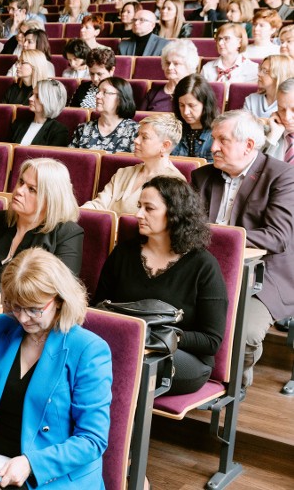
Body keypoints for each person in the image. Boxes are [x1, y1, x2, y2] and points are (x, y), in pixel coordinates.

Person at [0, 247, 111, 489]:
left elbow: (92, 439)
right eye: (16, 306)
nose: (23, 318)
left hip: (47, 471)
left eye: (34, 309)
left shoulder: (88, 349)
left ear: (59, 300)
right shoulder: (3, 327)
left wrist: (30, 463)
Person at [191, 111, 294, 395]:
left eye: (222, 140)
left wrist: (219, 237)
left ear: (248, 145)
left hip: (263, 274)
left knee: (245, 335)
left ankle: (237, 379)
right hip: (206, 270)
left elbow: (277, 237)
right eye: (213, 139)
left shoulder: (282, 176)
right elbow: (186, 227)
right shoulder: (201, 176)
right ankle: (197, 376)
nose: (212, 148)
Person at [95, 176, 228, 395]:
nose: (138, 215)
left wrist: (155, 338)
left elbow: (211, 341)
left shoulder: (203, 265)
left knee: (132, 363)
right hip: (126, 347)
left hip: (182, 357)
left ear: (175, 214)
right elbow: (99, 308)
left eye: (149, 208)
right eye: (139, 207)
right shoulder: (124, 253)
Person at [0, 158, 83, 289]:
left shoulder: (67, 233)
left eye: (32, 189)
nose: (19, 191)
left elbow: (59, 291)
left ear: (51, 199)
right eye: (21, 182)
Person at [84, 114, 185, 215]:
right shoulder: (123, 172)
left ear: (165, 145)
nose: (136, 140)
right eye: (138, 135)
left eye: (144, 137)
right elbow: (98, 205)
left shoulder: (175, 182)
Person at [70, 77, 139, 153]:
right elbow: (72, 159)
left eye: (105, 92)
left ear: (121, 98)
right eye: (98, 91)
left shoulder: (135, 131)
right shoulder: (83, 128)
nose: (97, 96)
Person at [141, 39, 200, 112]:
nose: (170, 67)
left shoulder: (198, 93)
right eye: (168, 63)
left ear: (189, 65)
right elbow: (139, 120)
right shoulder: (153, 94)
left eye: (176, 63)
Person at [171, 74, 219, 163]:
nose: (186, 112)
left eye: (191, 105)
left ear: (205, 104)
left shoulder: (218, 133)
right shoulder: (173, 130)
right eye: (181, 105)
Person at [10, 79, 71, 147]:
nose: (30, 98)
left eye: (37, 96)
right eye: (32, 94)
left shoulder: (59, 131)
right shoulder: (18, 123)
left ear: (49, 101)